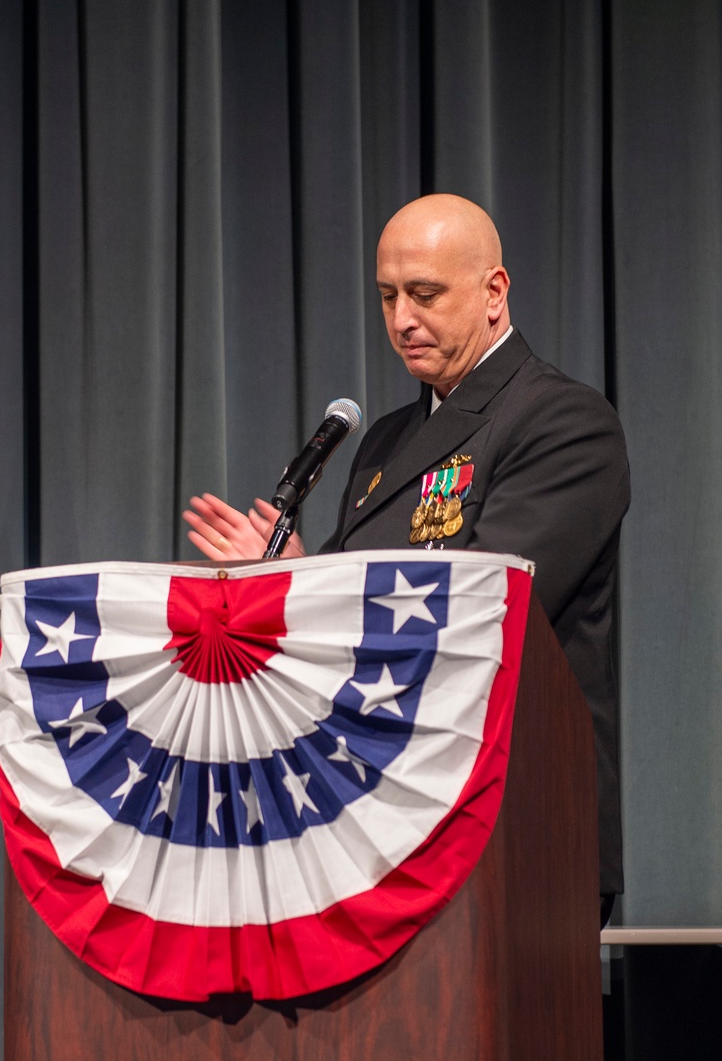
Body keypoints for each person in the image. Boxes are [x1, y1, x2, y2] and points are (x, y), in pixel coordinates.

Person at [184, 193, 630, 912]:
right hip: (377, 818)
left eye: (424, 294)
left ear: (494, 291)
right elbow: (346, 610)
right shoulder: (387, 442)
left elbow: (484, 607)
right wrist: (287, 579)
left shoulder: (561, 421)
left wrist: (309, 583)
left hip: (513, 819)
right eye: (388, 296)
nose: (400, 321)